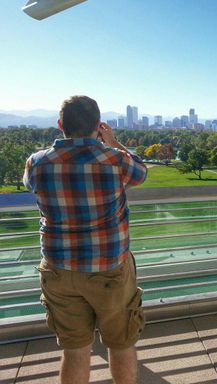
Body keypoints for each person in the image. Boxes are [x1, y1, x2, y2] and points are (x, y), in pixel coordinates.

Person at [23, 95, 147, 384]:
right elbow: (140, 172)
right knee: (121, 344)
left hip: (58, 270)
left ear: (60, 125)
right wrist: (113, 142)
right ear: (98, 124)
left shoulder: (37, 163)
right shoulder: (115, 160)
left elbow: (31, 185)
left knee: (75, 350)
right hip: (108, 270)